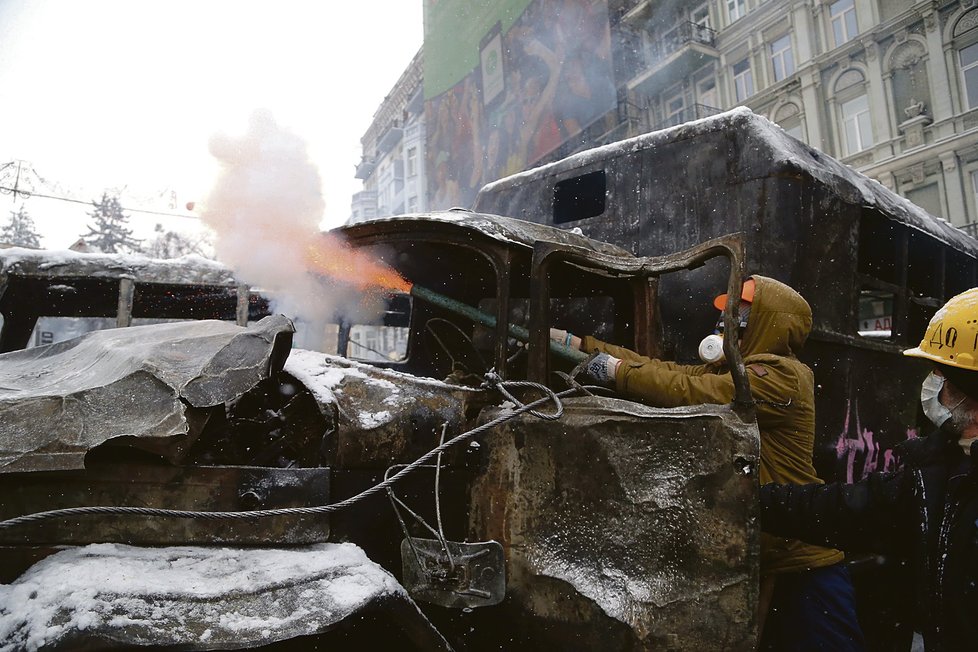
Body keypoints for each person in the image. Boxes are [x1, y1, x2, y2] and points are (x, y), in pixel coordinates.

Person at [552, 274, 865, 650]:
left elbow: (695, 391)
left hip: (802, 563)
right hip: (762, 557)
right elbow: (667, 370)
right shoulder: (731, 369)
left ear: (769, 323)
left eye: (741, 314)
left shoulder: (782, 377)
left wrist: (617, 373)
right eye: (728, 314)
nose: (727, 323)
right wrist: (581, 346)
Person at [760, 287, 978, 650]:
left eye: (941, 375)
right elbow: (847, 508)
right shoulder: (938, 465)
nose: (932, 386)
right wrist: (753, 501)